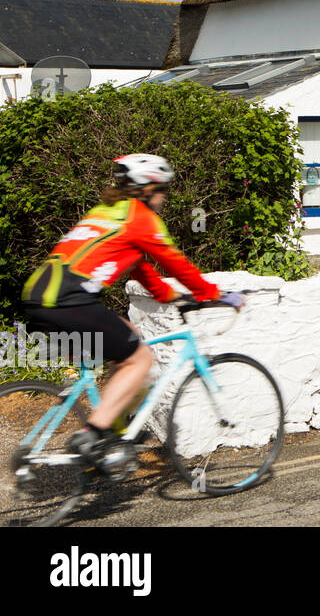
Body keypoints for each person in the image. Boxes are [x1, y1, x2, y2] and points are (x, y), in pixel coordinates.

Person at [20, 154, 237, 468]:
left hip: (40, 297)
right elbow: (176, 263)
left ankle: (112, 436)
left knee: (128, 337)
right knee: (141, 358)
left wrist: (169, 295)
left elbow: (140, 268)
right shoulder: (140, 218)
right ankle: (93, 433)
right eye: (161, 190)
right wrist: (216, 294)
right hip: (68, 300)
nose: (163, 197)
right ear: (147, 188)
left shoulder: (106, 211)